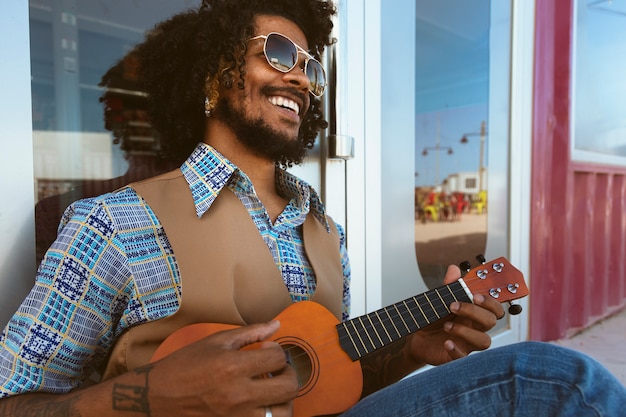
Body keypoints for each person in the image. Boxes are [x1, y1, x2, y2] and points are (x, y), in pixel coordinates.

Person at [0, 1, 624, 416]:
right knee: (559, 383)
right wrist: (152, 395)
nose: (301, 77)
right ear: (213, 74)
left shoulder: (325, 233)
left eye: (310, 67)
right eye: (277, 53)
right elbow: (13, 401)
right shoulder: (114, 224)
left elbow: (319, 384)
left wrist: (405, 353)